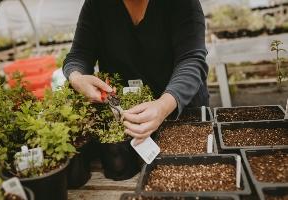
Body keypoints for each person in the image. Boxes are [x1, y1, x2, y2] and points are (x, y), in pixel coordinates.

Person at [63, 0, 209, 177]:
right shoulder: (98, 4)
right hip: (127, 123)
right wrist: (77, 78)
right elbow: (79, 54)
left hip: (181, 113)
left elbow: (191, 59)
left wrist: (163, 105)